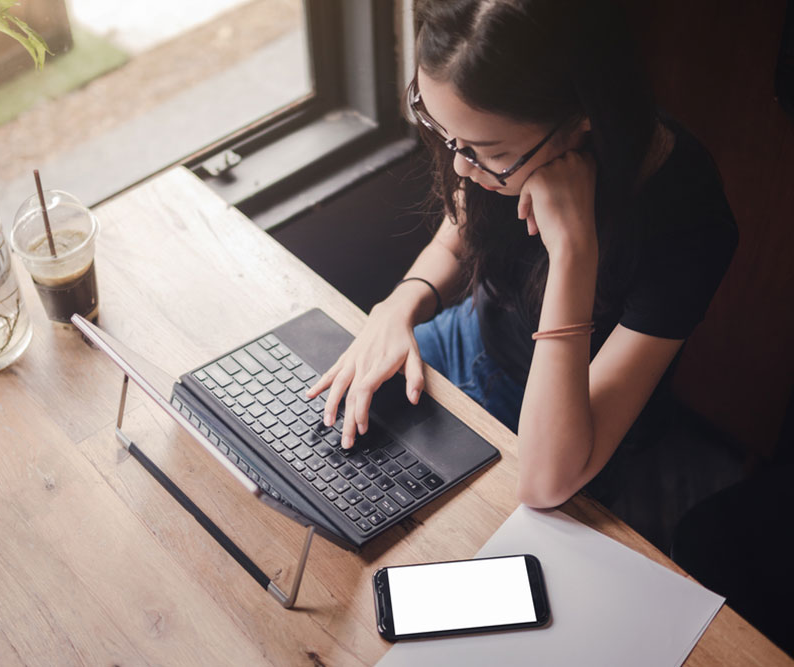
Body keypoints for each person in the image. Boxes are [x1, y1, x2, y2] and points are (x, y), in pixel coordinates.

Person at [306, 0, 737, 509]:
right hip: (466, 337)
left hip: (566, 414)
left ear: (581, 119)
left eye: (489, 153)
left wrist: (574, 249)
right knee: (317, 459)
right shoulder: (487, 134)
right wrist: (397, 308)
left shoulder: (688, 218)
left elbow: (547, 482)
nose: (462, 167)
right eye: (448, 136)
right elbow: (456, 235)